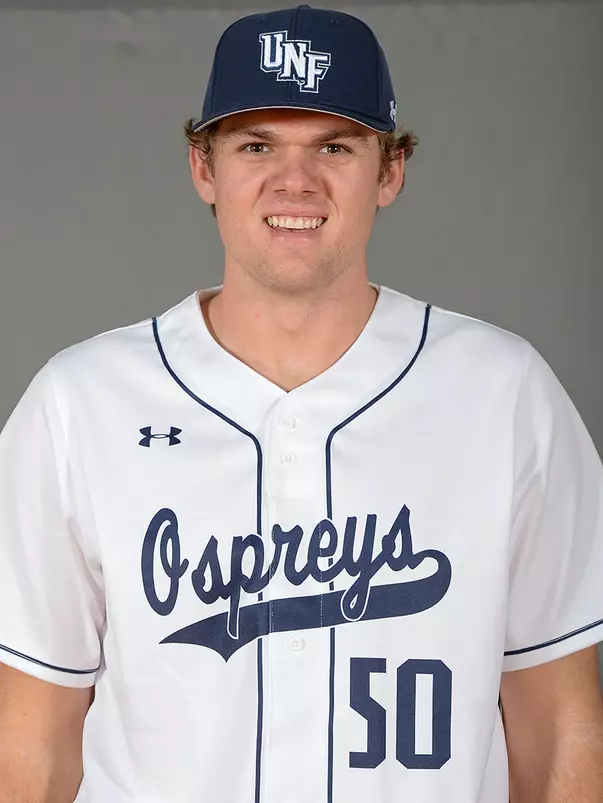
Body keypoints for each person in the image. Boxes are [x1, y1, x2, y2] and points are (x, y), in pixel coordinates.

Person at [1, 4, 602, 802]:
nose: (296, 182)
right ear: (202, 168)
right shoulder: (79, 403)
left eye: (334, 146)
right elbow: (31, 742)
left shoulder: (504, 394)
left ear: (388, 171)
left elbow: (558, 721)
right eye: (257, 145)